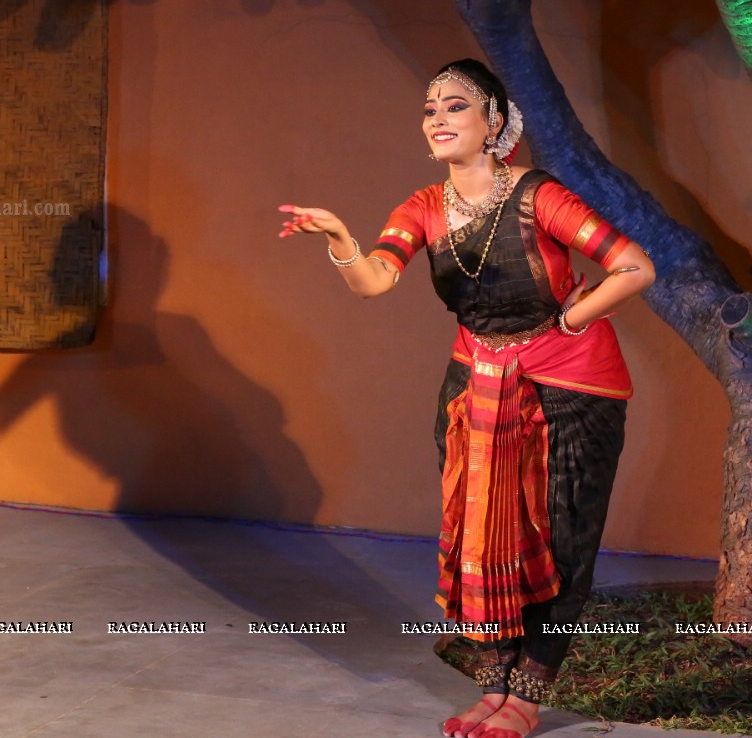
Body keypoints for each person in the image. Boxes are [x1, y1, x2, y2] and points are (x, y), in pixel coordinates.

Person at [279, 59, 654, 738]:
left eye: (456, 106)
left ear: (495, 124)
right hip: (476, 385)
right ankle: (493, 687)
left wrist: (571, 320)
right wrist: (339, 238)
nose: (438, 119)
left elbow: (634, 266)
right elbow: (374, 281)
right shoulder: (421, 207)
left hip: (567, 387)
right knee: (477, 532)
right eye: (430, 108)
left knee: (560, 538)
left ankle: (527, 695)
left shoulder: (541, 196)